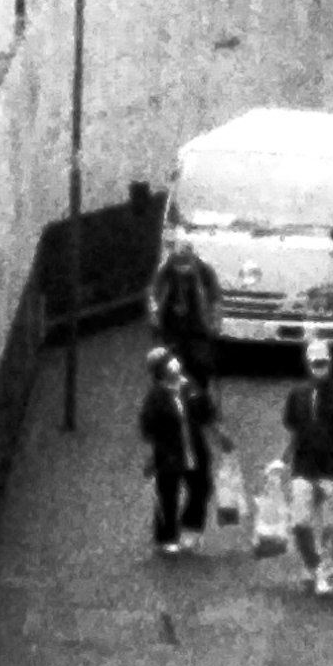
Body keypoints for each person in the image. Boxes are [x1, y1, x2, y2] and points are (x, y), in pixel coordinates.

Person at [282, 331, 333, 600]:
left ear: (331, 362)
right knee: (300, 523)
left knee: (331, 526)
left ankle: (324, 571)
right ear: (308, 364)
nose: (320, 368)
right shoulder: (297, 395)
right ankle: (313, 565)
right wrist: (281, 461)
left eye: (324, 363)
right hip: (304, 466)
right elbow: (295, 433)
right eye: (315, 363)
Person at [140, 348, 213, 556]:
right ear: (159, 371)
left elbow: (207, 412)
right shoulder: (155, 397)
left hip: (195, 448)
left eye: (172, 359)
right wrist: (150, 456)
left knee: (201, 488)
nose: (173, 363)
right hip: (168, 452)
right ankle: (166, 536)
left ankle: (191, 527)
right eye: (166, 362)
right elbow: (148, 428)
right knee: (167, 494)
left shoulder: (190, 387)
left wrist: (219, 433)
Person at [145, 217, 221, 388]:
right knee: (174, 361)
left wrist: (215, 321)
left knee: (200, 362)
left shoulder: (204, 271)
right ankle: (176, 394)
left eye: (186, 264)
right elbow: (154, 292)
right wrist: (154, 313)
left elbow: (214, 297)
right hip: (172, 325)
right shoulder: (166, 269)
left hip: (198, 324)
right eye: (179, 265)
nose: (182, 269)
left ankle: (200, 395)